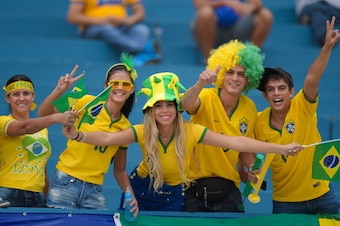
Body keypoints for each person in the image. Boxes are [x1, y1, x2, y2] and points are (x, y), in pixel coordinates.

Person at [62, 72, 303, 211]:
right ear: (150, 111)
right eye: (159, 106)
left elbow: (238, 142)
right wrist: (78, 135)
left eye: (170, 105)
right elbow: (106, 137)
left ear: (177, 110)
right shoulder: (142, 131)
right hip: (141, 189)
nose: (165, 111)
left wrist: (280, 148)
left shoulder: (192, 131)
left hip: (175, 195)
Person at [255, 16, 340, 214]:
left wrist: (326, 47)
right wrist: (253, 170)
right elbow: (251, 155)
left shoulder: (302, 106)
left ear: (291, 92)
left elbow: (312, 78)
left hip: (323, 196)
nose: (277, 93)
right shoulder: (258, 120)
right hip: (285, 203)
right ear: (265, 95)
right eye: (271, 89)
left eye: (282, 88)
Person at [37, 57, 138, 214]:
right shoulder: (86, 101)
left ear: (131, 89)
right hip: (66, 181)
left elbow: (119, 169)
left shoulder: (125, 126)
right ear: (106, 86)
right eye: (114, 83)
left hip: (94, 190)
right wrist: (60, 90)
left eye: (125, 84)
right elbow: (44, 113)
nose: (120, 87)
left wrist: (129, 194)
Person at [180, 39, 264, 212]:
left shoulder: (249, 107)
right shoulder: (207, 95)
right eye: (230, 72)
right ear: (220, 75)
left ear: (249, 78)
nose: (235, 78)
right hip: (193, 186)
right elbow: (186, 104)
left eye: (241, 74)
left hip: (229, 189)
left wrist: (253, 168)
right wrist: (200, 84)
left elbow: (245, 150)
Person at [0, 74, 76, 207]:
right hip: (8, 192)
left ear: (33, 96)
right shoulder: (3, 121)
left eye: (26, 93)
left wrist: (48, 197)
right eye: (16, 94)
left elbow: (42, 168)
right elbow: (24, 127)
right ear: (7, 98)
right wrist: (55, 118)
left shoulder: (42, 129)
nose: (22, 98)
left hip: (38, 195)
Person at [67, 0, 161, 67]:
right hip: (92, 28)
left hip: (120, 26)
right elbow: (72, 16)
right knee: (107, 29)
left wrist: (128, 20)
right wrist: (102, 21)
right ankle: (143, 50)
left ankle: (141, 53)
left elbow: (140, 13)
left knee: (141, 29)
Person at [192, 0, 273, 63]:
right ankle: (208, 59)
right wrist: (225, 2)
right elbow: (200, 5)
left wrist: (248, 8)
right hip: (212, 29)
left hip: (238, 27)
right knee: (205, 13)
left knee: (265, 15)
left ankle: (250, 59)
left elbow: (257, 3)